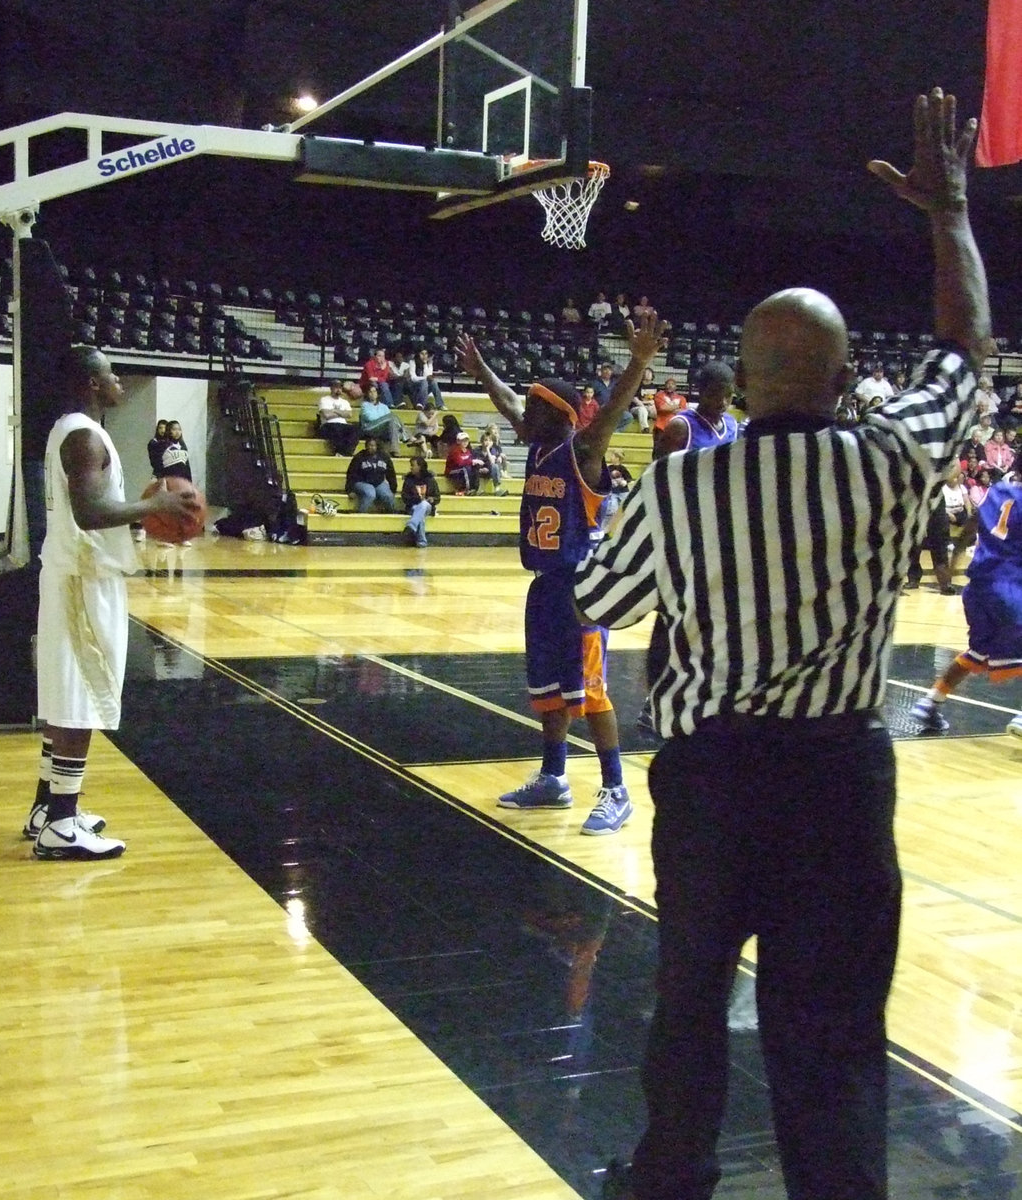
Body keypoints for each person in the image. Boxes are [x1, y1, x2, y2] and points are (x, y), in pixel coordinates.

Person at [576, 90, 990, 1200]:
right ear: (846, 380)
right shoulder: (889, 457)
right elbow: (964, 348)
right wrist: (947, 213)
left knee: (690, 993)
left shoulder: (677, 483)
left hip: (712, 780)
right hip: (838, 779)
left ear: (743, 383)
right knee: (835, 1028)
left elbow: (599, 600)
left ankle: (670, 1176)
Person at [458, 310, 668, 837]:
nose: (520, 412)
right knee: (550, 692)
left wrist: (639, 363)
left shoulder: (583, 453)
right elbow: (507, 401)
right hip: (545, 587)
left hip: (581, 589)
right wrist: (481, 370)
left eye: (532, 407)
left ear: (554, 415)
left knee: (591, 693)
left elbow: (609, 415)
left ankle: (615, 789)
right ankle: (554, 779)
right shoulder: (537, 447)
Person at [25, 346, 202, 860]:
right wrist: (157, 505)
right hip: (84, 579)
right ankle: (60, 824)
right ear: (90, 384)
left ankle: (47, 807)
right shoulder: (83, 435)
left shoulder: (71, 429)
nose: (118, 378)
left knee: (66, 692)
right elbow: (90, 510)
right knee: (82, 696)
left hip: (73, 575)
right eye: (109, 373)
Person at [911, 472, 1022, 738]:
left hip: (978, 588)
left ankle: (930, 702)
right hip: (1009, 587)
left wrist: (956, 557)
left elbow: (972, 523)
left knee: (978, 651)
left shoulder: (997, 491)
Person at [653, 359, 738, 458]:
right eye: (716, 395)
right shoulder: (681, 426)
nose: (723, 402)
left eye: (728, 395)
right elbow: (659, 469)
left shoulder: (732, 424)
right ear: (701, 392)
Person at [345, 436, 397, 513]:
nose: (371, 447)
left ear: (377, 446)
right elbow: (351, 473)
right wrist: (349, 490)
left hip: (379, 482)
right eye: (369, 445)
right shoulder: (359, 457)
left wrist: (393, 489)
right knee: (370, 494)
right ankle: (360, 514)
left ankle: (391, 514)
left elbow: (391, 473)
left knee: (388, 496)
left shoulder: (384, 457)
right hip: (362, 482)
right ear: (366, 446)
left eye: (373, 445)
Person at [401, 454, 440, 548]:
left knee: (424, 505)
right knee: (419, 513)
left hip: (428, 507)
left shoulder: (430, 479)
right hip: (413, 506)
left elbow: (437, 497)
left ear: (420, 466)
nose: (411, 468)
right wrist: (417, 500)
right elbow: (405, 497)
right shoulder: (408, 480)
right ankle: (421, 541)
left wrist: (432, 499)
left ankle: (411, 525)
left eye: (413, 465)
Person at [358, 382, 404, 455]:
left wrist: (385, 420)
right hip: (370, 428)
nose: (372, 393)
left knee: (394, 425)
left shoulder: (384, 406)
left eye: (374, 391)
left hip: (382, 431)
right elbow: (370, 418)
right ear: (367, 394)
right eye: (370, 392)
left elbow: (390, 421)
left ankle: (395, 450)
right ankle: (408, 438)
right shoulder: (365, 405)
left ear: (377, 393)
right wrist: (384, 419)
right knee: (391, 417)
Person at [317, 381, 361, 456]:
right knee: (336, 429)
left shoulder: (345, 402)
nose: (338, 389)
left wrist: (334, 411)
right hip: (328, 425)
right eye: (336, 387)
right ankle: (340, 451)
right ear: (331, 388)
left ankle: (345, 452)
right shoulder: (324, 400)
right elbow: (327, 415)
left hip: (343, 425)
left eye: (340, 388)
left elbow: (349, 414)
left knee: (356, 429)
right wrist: (342, 413)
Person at [650, 376, 687, 450]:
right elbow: (662, 408)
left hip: (675, 428)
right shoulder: (659, 395)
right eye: (668, 384)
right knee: (658, 450)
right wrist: (676, 407)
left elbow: (682, 411)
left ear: (675, 387)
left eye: (672, 384)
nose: (670, 386)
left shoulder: (681, 398)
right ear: (665, 385)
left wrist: (669, 408)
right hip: (661, 427)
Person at [444, 430, 479, 494]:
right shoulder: (455, 451)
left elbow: (469, 462)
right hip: (452, 471)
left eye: (466, 440)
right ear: (458, 441)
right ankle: (467, 489)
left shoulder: (468, 451)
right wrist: (471, 461)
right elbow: (459, 463)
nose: (465, 442)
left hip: (462, 470)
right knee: (465, 469)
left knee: (475, 468)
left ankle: (475, 489)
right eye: (463, 440)